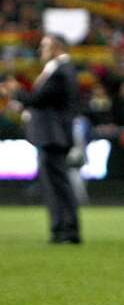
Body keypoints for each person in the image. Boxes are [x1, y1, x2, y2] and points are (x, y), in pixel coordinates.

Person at [5, 34, 80, 244]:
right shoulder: (62, 70)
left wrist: (16, 91)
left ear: (56, 47)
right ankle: (63, 228)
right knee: (56, 184)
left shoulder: (61, 70)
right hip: (52, 135)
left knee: (57, 184)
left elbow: (39, 99)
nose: (41, 50)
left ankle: (65, 230)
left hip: (52, 135)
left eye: (44, 45)